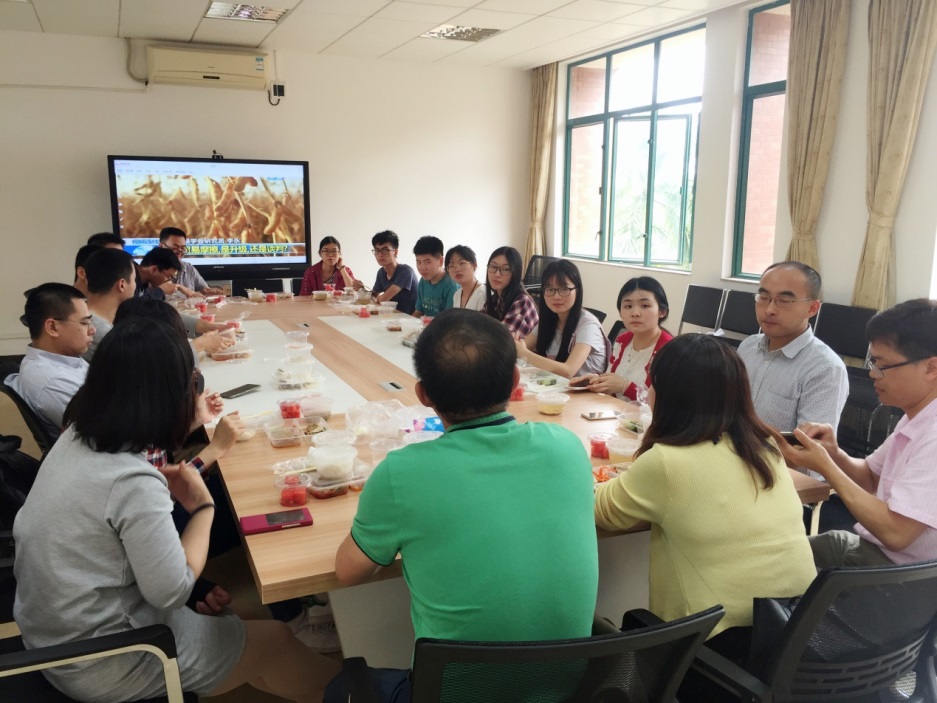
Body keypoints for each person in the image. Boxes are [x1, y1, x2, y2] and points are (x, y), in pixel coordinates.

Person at [13, 318, 339, 702]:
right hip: (109, 656)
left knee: (251, 628)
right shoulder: (130, 479)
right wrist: (202, 507)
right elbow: (172, 589)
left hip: (53, 635)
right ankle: (351, 692)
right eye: (191, 380)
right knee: (277, 640)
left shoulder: (80, 434)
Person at [328, 308, 599, 702]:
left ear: (422, 395)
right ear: (515, 381)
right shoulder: (567, 447)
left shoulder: (402, 474)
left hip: (452, 693)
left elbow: (348, 572)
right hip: (566, 689)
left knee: (339, 687)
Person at [594, 334, 816, 665]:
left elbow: (602, 513)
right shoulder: (765, 447)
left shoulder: (667, 462)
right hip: (797, 635)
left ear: (670, 396)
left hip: (714, 651)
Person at [783, 299, 937, 568]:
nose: (872, 374)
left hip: (896, 577)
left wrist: (826, 467)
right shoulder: (916, 417)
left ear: (931, 368)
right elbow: (869, 478)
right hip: (871, 549)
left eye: (882, 365)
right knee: (771, 556)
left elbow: (896, 534)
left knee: (770, 573)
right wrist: (835, 454)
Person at [737, 261, 848, 431]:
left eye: (784, 301)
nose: (769, 310)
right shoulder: (748, 346)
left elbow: (809, 448)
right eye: (764, 298)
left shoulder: (825, 369)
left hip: (772, 457)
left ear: (812, 308)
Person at [4, 283, 94, 440]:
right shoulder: (52, 381)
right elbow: (103, 433)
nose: (92, 330)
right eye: (84, 323)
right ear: (52, 327)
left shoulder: (65, 360)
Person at [573, 276, 672, 401]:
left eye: (645, 306)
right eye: (628, 306)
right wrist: (597, 380)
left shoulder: (669, 350)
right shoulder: (622, 340)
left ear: (662, 312)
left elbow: (663, 404)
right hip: (616, 414)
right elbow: (612, 381)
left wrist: (625, 387)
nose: (635, 313)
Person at [516, 259, 609, 378]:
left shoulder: (588, 325)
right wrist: (516, 346)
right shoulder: (549, 320)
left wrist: (524, 353)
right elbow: (521, 348)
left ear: (578, 290)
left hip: (588, 394)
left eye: (564, 289)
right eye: (550, 289)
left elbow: (568, 371)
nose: (556, 296)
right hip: (555, 390)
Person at [81, 247, 136, 362]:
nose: (135, 285)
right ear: (122, 285)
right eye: (134, 279)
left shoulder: (84, 320)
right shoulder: (103, 334)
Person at [354, 230, 418, 314]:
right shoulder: (381, 272)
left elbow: (382, 299)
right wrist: (362, 289)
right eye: (377, 250)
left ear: (395, 252)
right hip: (391, 317)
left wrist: (377, 298)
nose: (380, 254)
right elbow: (373, 295)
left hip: (408, 320)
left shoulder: (406, 271)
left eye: (385, 250)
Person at [483, 246, 538, 337]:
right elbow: (477, 325)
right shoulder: (495, 299)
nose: (497, 274)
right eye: (493, 267)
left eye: (505, 269)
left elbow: (500, 340)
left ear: (515, 273)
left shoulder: (522, 302)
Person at [159, 227, 225, 296]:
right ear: (161, 246)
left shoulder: (188, 267)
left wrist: (211, 292)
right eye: (175, 248)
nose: (180, 251)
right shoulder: (152, 270)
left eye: (183, 248)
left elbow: (205, 290)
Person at [411, 235, 458, 318]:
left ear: (440, 261)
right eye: (419, 262)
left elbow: (450, 320)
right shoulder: (423, 281)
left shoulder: (451, 285)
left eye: (427, 262)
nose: (422, 268)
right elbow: (418, 312)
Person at [446, 245, 486, 311]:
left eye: (461, 263)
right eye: (451, 266)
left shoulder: (483, 294)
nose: (456, 269)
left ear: (474, 265)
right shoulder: (457, 295)